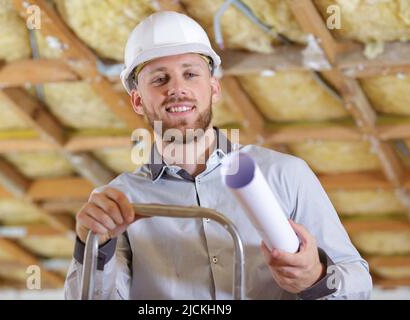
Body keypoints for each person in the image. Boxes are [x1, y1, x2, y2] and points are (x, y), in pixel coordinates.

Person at [65, 11, 372, 300]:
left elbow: (358, 284)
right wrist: (91, 246)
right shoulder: (117, 202)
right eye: (160, 79)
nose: (177, 89)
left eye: (190, 74)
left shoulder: (285, 174)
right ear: (137, 100)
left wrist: (316, 277)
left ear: (213, 88)